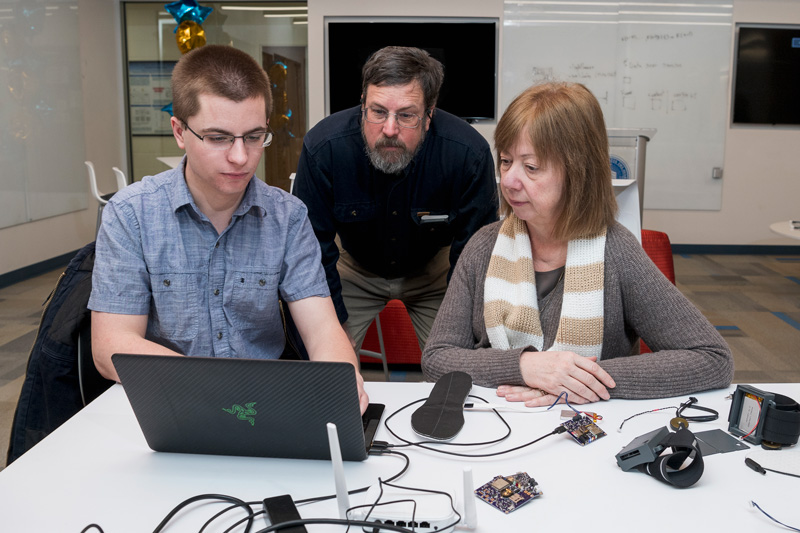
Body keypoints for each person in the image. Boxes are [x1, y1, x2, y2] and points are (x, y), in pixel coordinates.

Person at [88, 45, 368, 411]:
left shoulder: (287, 216)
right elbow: (111, 345)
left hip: (260, 406)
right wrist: (217, 391)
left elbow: (320, 328)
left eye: (254, 137)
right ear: (178, 130)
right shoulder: (131, 214)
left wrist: (341, 380)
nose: (240, 157)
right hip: (167, 400)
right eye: (218, 138)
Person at [421, 82, 734, 404]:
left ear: (577, 172)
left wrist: (578, 381)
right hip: (499, 423)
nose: (510, 181)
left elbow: (712, 359)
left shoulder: (616, 251)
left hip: (587, 431)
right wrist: (525, 366)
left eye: (531, 167)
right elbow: (437, 358)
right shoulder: (483, 246)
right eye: (505, 161)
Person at [293, 46, 498, 353]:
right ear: (362, 104)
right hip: (354, 270)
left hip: (435, 274)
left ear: (429, 116)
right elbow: (313, 252)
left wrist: (455, 341)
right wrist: (335, 329)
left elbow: (474, 255)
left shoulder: (468, 153)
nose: (389, 129)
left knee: (459, 365)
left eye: (406, 115)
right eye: (377, 112)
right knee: (327, 365)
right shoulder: (324, 148)